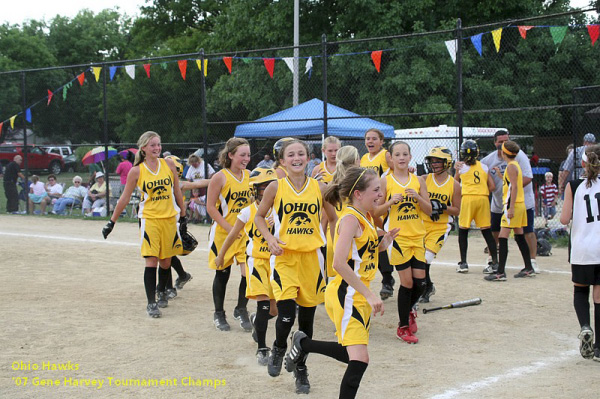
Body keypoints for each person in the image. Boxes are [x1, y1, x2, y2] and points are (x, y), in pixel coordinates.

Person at [283, 167, 399, 399]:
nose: (380, 194)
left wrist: (383, 244)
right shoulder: (349, 219)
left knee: (352, 354)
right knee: (359, 359)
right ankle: (303, 344)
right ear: (358, 193)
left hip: (355, 292)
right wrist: (369, 294)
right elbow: (338, 263)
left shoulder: (364, 216)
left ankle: (304, 344)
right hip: (347, 293)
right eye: (376, 190)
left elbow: (360, 254)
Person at [255, 138, 337, 394]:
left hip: (312, 259)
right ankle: (279, 348)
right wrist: (270, 238)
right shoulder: (274, 187)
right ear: (282, 161)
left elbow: (334, 218)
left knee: (307, 325)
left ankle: (300, 369)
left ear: (309, 157)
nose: (297, 158)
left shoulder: (319, 188)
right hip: (285, 259)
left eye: (301, 153)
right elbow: (259, 216)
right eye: (291, 155)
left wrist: (339, 245)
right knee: (287, 315)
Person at [102, 131, 186, 318]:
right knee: (152, 260)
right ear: (144, 149)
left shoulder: (168, 164)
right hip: (150, 219)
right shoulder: (137, 171)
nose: (157, 148)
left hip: (170, 218)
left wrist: (183, 214)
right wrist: (111, 222)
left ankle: (162, 290)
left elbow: (177, 191)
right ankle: (151, 302)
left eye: (158, 144)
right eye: (153, 145)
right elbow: (124, 198)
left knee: (166, 261)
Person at [215, 167, 279, 366]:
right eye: (263, 187)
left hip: (278, 262)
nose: (268, 190)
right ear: (254, 190)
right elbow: (233, 234)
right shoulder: (248, 211)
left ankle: (256, 321)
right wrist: (221, 254)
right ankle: (262, 348)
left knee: (275, 311)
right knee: (264, 305)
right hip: (257, 261)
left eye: (271, 185)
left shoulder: (281, 209)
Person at [375, 141, 432, 344]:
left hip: (418, 236)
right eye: (397, 154)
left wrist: (417, 197)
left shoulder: (419, 181)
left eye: (404, 154)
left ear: (410, 157)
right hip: (398, 238)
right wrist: (390, 202)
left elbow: (429, 210)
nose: (401, 157)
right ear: (390, 157)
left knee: (421, 283)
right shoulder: (385, 182)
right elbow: (375, 211)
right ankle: (403, 326)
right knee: (406, 283)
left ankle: (409, 311)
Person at [206, 138, 253, 332]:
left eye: (248, 155)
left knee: (248, 273)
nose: (246, 159)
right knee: (222, 273)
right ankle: (219, 312)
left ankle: (241, 309)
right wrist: (229, 228)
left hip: (245, 234)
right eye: (242, 154)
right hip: (223, 233)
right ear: (231, 155)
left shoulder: (251, 176)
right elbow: (210, 207)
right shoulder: (220, 177)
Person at [560, 144, 600, 361]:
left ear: (583, 164)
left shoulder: (574, 186)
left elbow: (564, 219)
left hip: (582, 247)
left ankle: (585, 327)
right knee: (599, 295)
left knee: (580, 290)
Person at [481, 130, 538, 273]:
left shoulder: (512, 165)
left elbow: (514, 187)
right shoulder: (511, 165)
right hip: (515, 204)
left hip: (513, 205)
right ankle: (528, 267)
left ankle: (500, 271)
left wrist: (510, 208)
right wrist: (500, 176)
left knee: (503, 236)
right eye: (500, 142)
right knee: (519, 236)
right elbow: (510, 182)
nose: (502, 146)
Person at [420, 146, 461, 303]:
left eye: (438, 161)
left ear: (447, 163)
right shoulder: (424, 179)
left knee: (425, 259)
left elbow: (456, 210)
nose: (434, 164)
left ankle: (424, 287)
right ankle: (428, 285)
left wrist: (441, 206)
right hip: (422, 224)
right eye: (432, 161)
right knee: (418, 260)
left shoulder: (454, 185)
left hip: (440, 227)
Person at [360, 128, 395, 300]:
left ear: (381, 141)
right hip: (369, 203)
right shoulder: (364, 158)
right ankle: (387, 278)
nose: (370, 141)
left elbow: (398, 170)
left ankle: (388, 278)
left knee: (383, 238)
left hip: (383, 201)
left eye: (374, 138)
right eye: (367, 139)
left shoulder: (386, 155)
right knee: (375, 239)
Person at [455, 140, 498, 274]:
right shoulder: (484, 166)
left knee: (463, 231)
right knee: (486, 231)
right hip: (483, 199)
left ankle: (463, 263)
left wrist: (457, 171)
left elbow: (455, 183)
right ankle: (495, 263)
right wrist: (481, 191)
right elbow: (492, 186)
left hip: (468, 199)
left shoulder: (461, 167)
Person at [323, 146, 360, 280]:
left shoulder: (332, 183)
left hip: (333, 235)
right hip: (352, 236)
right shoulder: (358, 183)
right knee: (352, 282)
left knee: (340, 281)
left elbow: (327, 218)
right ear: (356, 160)